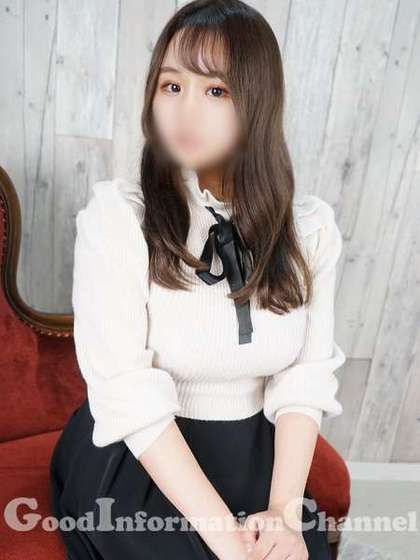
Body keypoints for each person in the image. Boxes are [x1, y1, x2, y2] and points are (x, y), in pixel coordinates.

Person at [49, 1, 346, 559]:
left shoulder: (310, 229)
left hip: (251, 455)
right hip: (140, 456)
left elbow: (304, 376)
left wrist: (283, 513)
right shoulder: (118, 218)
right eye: (171, 85)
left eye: (215, 90)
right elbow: (125, 391)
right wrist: (225, 540)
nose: (185, 111)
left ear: (257, 101)